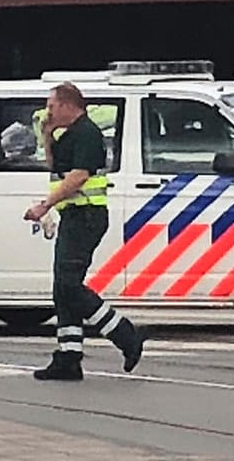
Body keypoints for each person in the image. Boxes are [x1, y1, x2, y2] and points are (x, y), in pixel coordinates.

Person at [24, 82, 145, 381]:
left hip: (86, 215)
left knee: (68, 285)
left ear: (67, 105)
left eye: (51, 106)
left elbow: (77, 177)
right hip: (74, 216)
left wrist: (44, 206)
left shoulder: (87, 134)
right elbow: (55, 168)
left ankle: (125, 334)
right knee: (62, 288)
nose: (47, 112)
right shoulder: (67, 136)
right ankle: (68, 357)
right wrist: (47, 136)